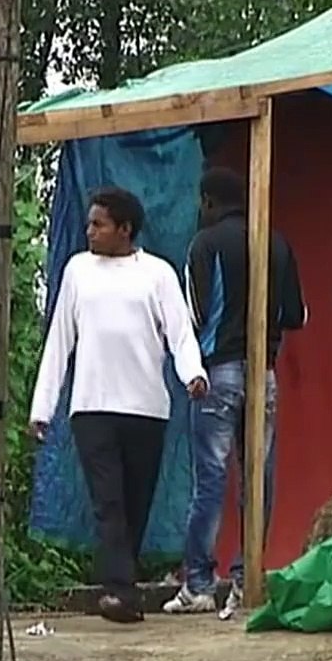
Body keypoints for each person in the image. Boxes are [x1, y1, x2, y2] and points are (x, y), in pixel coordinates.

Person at [29, 186, 208, 624]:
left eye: (99, 224)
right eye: (89, 223)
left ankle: (123, 587)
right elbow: (59, 341)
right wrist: (42, 408)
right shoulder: (77, 272)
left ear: (125, 230)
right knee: (108, 500)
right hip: (92, 408)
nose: (90, 231)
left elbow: (180, 333)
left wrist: (193, 374)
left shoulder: (158, 274)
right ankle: (120, 591)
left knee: (135, 501)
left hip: (146, 408)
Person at [164, 166, 307, 617]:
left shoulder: (204, 244)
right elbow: (297, 314)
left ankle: (200, 586)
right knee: (257, 479)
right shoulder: (277, 242)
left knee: (210, 479)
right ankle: (247, 581)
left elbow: (196, 315)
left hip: (219, 372)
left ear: (207, 201)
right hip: (263, 372)